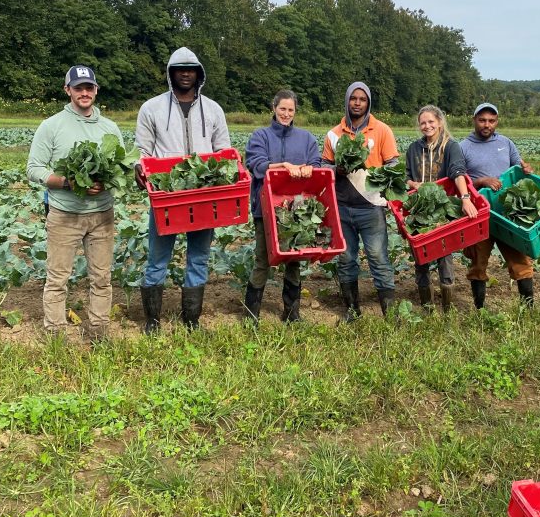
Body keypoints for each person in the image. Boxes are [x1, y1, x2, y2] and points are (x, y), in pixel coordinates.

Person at [134, 47, 230, 332]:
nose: (185, 73)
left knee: (198, 257)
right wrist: (140, 167)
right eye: (180, 69)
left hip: (203, 195)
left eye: (191, 69)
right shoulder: (151, 108)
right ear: (171, 73)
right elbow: (142, 150)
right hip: (168, 195)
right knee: (158, 258)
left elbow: (223, 150)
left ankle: (191, 321)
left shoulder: (212, 109)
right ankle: (152, 320)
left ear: (199, 74)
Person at [27, 65, 122, 341]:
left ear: (96, 90)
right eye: (78, 87)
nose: (84, 92)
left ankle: (98, 332)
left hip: (102, 214)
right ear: (67, 90)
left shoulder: (110, 127)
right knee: (58, 279)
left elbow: (117, 169)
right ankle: (55, 335)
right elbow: (34, 168)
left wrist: (107, 181)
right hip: (65, 214)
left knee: (102, 278)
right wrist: (70, 182)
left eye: (88, 87)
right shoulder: (52, 125)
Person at [322, 82, 399, 319]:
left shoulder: (382, 130)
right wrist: (338, 169)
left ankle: (391, 315)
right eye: (353, 98)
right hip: (342, 207)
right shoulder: (333, 134)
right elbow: (324, 167)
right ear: (347, 101)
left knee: (378, 258)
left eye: (362, 99)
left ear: (368, 103)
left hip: (372, 207)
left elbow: (393, 165)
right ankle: (352, 312)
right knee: (346, 259)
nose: (357, 103)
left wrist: (377, 177)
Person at [244, 90, 322, 322]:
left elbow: (316, 163)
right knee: (262, 259)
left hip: (297, 208)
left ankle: (291, 313)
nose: (286, 114)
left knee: (294, 259)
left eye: (291, 110)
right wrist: (282, 165)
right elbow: (255, 164)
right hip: (266, 207)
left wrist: (310, 168)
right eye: (282, 109)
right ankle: (251, 315)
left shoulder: (306, 138)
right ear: (274, 108)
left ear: (295, 112)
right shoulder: (260, 136)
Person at [460, 102, 535, 309]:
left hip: (507, 213)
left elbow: (518, 168)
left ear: (497, 121)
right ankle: (480, 311)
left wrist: (526, 169)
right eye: (482, 120)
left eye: (491, 121)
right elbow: (457, 181)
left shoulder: (506, 143)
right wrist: (482, 181)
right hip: (478, 214)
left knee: (521, 262)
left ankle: (528, 309)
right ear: (474, 120)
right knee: (477, 264)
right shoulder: (463, 147)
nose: (487, 125)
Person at [405, 105, 478, 312]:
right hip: (419, 210)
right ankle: (427, 308)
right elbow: (407, 177)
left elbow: (457, 172)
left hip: (442, 210)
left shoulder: (450, 146)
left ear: (439, 122)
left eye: (430, 122)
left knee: (445, 257)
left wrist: (465, 198)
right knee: (421, 258)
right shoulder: (413, 149)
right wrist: (414, 185)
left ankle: (447, 309)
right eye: (423, 123)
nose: (427, 126)